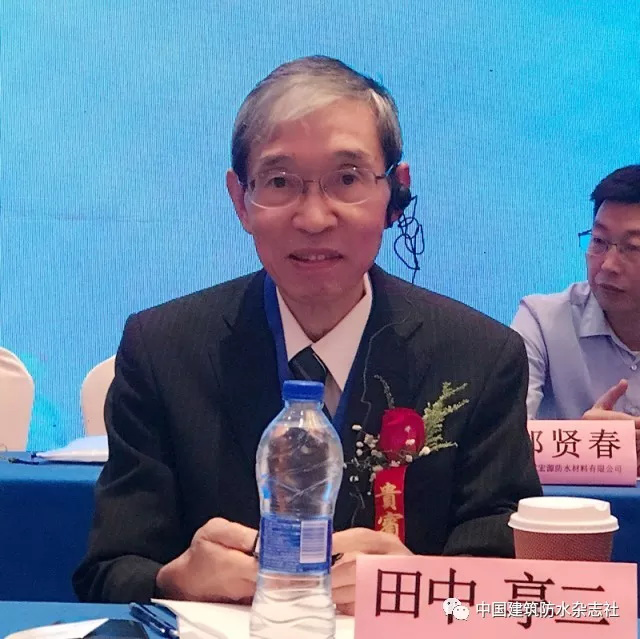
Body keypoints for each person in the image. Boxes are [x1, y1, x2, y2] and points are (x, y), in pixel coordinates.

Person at [73, 56, 541, 613]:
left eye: (347, 179)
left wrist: (417, 584)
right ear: (239, 200)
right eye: (279, 182)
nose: (315, 218)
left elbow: (509, 581)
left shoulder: (479, 357)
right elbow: (110, 570)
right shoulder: (162, 348)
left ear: (396, 192)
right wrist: (173, 579)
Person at [511, 165, 640, 433]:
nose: (608, 265)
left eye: (632, 248)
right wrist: (584, 441)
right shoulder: (542, 321)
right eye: (599, 241)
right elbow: (505, 440)